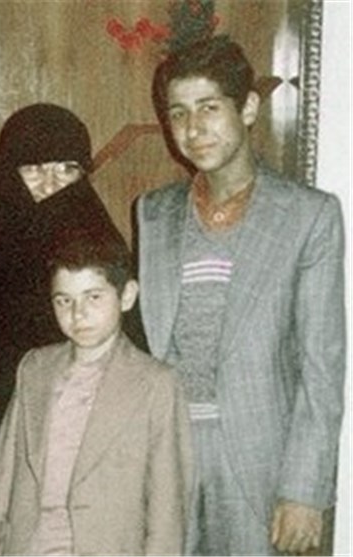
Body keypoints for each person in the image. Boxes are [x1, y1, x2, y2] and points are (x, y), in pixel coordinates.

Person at [137, 35, 346, 555]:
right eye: (179, 113)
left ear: (248, 108)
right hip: (167, 457)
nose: (193, 128)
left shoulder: (309, 216)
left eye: (209, 107)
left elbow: (322, 367)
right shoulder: (153, 213)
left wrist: (305, 490)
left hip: (260, 464)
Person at [0, 103, 139, 555]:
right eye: (34, 170)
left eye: (66, 170)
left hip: (82, 441)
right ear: (8, 172)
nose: (50, 185)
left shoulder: (102, 246)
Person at [0, 230, 191, 555]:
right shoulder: (34, 369)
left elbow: (167, 508)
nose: (78, 313)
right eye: (64, 300)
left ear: (127, 295)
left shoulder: (156, 383)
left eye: (94, 297)